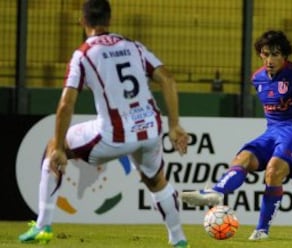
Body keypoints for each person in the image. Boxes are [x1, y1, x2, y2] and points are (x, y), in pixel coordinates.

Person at [18, 0, 190, 247]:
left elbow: (66, 104)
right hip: (150, 129)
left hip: (113, 136)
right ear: (109, 20)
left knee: (53, 147)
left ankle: (43, 225)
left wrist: (59, 147)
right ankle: (179, 240)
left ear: (82, 21)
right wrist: (174, 125)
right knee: (156, 181)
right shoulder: (133, 46)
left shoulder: (84, 54)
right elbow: (168, 80)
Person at [181, 30, 292, 241]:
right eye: (266, 54)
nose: (270, 59)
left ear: (285, 56)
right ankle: (217, 191)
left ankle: (261, 230)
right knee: (243, 159)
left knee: (273, 171)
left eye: (275, 54)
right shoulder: (257, 78)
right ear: (260, 54)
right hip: (272, 131)